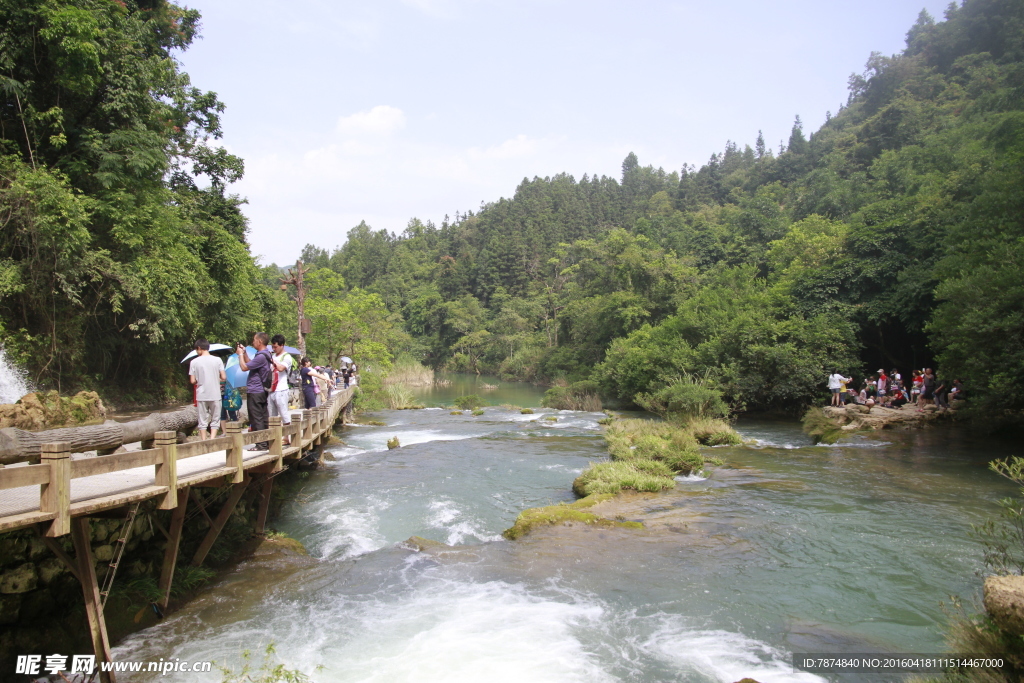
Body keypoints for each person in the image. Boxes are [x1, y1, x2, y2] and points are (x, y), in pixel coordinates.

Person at [237, 333, 273, 451]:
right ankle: (265, 442)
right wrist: (245, 353)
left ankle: (261, 444)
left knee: (256, 417)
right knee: (262, 416)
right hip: (261, 390)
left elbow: (244, 367)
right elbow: (250, 364)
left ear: (259, 341)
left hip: (256, 390)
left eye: (254, 340)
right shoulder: (264, 355)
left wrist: (240, 355)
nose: (253, 342)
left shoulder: (262, 356)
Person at [189, 339, 226, 440]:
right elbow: (223, 377)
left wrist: (199, 379)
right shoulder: (217, 360)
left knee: (202, 420)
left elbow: (192, 381)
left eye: (196, 350)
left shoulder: (194, 362)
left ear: (199, 348)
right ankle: (212, 438)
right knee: (215, 419)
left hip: (202, 395)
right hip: (215, 394)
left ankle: (204, 440)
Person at [269, 334, 294, 445]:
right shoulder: (273, 356)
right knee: (272, 416)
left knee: (284, 414)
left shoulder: (287, 357)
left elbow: (280, 368)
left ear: (282, 345)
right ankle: (275, 437)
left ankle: (286, 437)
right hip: (271, 389)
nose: (274, 349)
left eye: (275, 347)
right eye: (272, 347)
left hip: (282, 389)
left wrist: (270, 360)